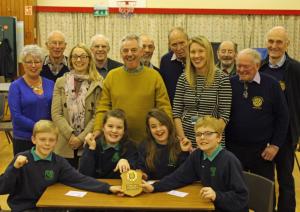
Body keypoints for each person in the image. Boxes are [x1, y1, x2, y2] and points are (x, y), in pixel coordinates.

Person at [0, 120, 122, 212]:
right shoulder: (21, 159)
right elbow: (3, 188)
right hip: (25, 209)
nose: (47, 144)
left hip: (50, 208)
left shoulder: (59, 162)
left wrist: (108, 188)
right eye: (42, 139)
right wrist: (14, 168)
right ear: (33, 139)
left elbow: (80, 179)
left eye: (51, 140)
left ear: (56, 141)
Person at [142, 115, 249, 212]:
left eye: (208, 133)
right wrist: (154, 187)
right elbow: (178, 177)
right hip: (209, 206)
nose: (202, 137)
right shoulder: (197, 155)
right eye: (198, 134)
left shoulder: (229, 160)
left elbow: (242, 198)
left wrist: (217, 195)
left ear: (219, 137)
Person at [93, 34, 172, 146]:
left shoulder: (154, 76)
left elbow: (164, 107)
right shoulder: (112, 76)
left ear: (141, 52)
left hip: (149, 142)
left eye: (134, 50)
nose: (129, 54)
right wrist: (97, 130)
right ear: (121, 54)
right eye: (125, 50)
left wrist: (169, 133)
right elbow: (103, 107)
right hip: (117, 141)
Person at [225, 48, 289, 186]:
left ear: (257, 66)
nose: (241, 70)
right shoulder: (229, 84)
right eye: (238, 66)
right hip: (233, 151)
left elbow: (283, 117)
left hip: (262, 152)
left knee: (264, 196)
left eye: (246, 66)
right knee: (235, 192)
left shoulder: (271, 85)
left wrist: (275, 145)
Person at [259, 26, 300, 212]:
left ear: (287, 44)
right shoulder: (259, 67)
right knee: (266, 182)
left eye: (279, 42)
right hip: (263, 137)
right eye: (271, 41)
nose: (274, 46)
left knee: (285, 180)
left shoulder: (297, 69)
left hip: (286, 137)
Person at [173, 35, 232, 147]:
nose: (196, 56)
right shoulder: (183, 78)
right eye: (193, 52)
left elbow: (224, 116)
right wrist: (183, 139)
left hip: (212, 143)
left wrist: (207, 141)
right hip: (187, 143)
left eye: (201, 51)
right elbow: (176, 113)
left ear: (208, 53)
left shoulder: (221, 79)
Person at [51, 43, 103, 168]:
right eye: (75, 56)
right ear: (70, 60)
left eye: (83, 56)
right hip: (65, 142)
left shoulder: (98, 83)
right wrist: (71, 135)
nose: (78, 60)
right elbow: (56, 113)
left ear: (89, 59)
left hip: (88, 141)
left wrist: (81, 138)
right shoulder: (61, 82)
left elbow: (98, 115)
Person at [8, 45, 54, 155]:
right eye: (29, 62)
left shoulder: (51, 84)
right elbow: (16, 116)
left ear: (42, 64)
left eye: (37, 61)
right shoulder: (15, 86)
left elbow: (55, 109)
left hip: (47, 138)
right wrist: (40, 128)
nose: (33, 65)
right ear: (23, 64)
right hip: (24, 138)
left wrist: (48, 130)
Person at [79, 109, 138, 179]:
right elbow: (84, 175)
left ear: (124, 131)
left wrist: (126, 162)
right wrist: (91, 149)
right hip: (96, 187)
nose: (114, 131)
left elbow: (133, 176)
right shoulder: (93, 143)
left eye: (119, 127)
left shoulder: (130, 146)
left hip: (119, 187)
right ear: (103, 127)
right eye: (110, 126)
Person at [137, 109, 191, 180]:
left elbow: (185, 173)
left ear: (168, 125)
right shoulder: (144, 145)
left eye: (162, 124)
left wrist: (185, 152)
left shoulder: (179, 144)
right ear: (149, 129)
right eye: (153, 126)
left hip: (175, 186)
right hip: (152, 187)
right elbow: (142, 170)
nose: (158, 129)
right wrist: (143, 175)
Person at [159, 27, 188, 106]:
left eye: (182, 43)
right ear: (169, 45)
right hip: (173, 110)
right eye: (174, 45)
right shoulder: (165, 60)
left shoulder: (196, 59)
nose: (179, 48)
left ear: (188, 41)